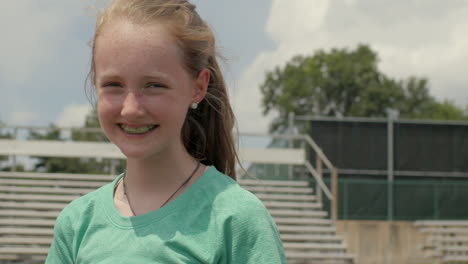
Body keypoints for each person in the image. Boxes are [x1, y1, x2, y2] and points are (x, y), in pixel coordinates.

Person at [45, 0, 287, 263]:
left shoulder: (237, 219)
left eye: (154, 86)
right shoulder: (76, 225)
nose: (131, 109)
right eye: (114, 84)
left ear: (198, 86)